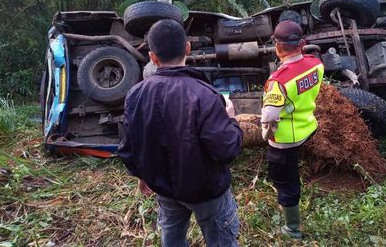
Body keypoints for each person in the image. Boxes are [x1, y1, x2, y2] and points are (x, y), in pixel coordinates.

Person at [118, 19, 243, 247]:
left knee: (171, 239)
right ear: (187, 48)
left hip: (164, 190)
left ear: (152, 56)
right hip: (207, 193)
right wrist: (232, 118)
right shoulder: (205, 95)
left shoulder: (135, 95)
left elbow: (128, 146)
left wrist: (141, 175)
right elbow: (227, 150)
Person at [261, 20, 324, 239]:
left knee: (285, 181)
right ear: (302, 43)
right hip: (308, 126)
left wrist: (265, 134)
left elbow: (269, 116)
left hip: (285, 140)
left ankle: (292, 229)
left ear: (277, 46)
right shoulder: (316, 64)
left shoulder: (278, 81)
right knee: (290, 170)